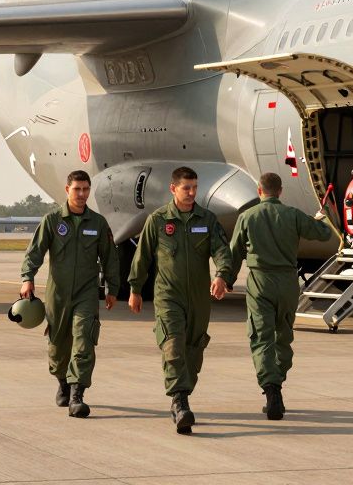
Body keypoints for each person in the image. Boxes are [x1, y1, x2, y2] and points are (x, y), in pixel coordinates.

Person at [222, 171, 335, 420]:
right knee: (283, 336)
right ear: (280, 191)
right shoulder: (293, 215)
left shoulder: (247, 217)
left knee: (262, 337)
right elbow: (324, 234)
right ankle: (278, 381)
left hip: (260, 282)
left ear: (259, 191)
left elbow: (235, 252)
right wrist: (319, 219)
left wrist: (227, 280)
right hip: (288, 283)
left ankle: (271, 388)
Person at [129, 166, 232, 434]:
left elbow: (221, 250)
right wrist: (135, 289)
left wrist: (221, 275)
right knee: (173, 344)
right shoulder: (159, 220)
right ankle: (180, 401)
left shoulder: (207, 219)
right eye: (186, 188)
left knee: (193, 351)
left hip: (199, 297)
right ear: (173, 188)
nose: (191, 192)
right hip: (168, 295)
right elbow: (143, 257)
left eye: (195, 187)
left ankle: (183, 394)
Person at [20, 170, 119, 418]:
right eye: (77, 189)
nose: (82, 194)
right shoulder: (53, 220)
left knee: (84, 340)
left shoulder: (97, 223)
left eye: (86, 189)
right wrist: (27, 278)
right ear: (67, 190)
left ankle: (77, 394)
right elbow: (35, 252)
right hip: (58, 294)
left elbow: (110, 258)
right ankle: (62, 382)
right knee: (57, 346)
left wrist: (112, 288)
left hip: (86, 293)